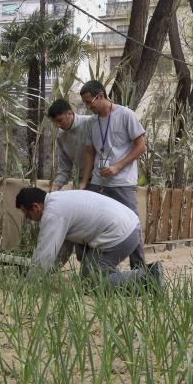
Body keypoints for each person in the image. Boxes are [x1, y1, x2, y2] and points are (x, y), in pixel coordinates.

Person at [15, 187, 162, 290]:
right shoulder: (59, 200)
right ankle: (139, 277)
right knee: (90, 275)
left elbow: (45, 253)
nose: (29, 219)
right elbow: (63, 250)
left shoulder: (53, 214)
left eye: (27, 215)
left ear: (35, 207)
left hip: (121, 236)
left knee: (91, 283)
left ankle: (147, 278)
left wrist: (29, 283)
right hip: (128, 227)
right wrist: (46, 273)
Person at [78, 79, 147, 269]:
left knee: (131, 224)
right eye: (84, 103)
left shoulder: (126, 115)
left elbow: (141, 147)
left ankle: (140, 270)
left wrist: (117, 166)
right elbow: (90, 152)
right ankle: (92, 268)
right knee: (90, 223)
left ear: (100, 96)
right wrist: (85, 182)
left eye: (89, 102)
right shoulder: (91, 123)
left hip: (122, 182)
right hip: (99, 182)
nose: (87, 107)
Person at [47, 99, 93, 191]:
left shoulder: (90, 122)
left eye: (60, 120)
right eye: (54, 122)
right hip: (79, 180)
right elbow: (64, 166)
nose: (57, 125)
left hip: (101, 179)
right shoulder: (61, 135)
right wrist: (56, 187)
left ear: (69, 113)